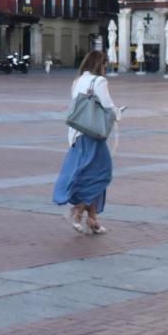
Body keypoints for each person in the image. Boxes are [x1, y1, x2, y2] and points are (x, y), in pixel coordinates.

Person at [54, 49, 125, 236]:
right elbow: (108, 105)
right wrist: (119, 113)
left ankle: (92, 218)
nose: (106, 67)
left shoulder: (77, 81)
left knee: (89, 172)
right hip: (92, 135)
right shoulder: (99, 81)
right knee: (102, 173)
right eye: (105, 63)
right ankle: (78, 209)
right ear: (99, 64)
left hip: (76, 133)